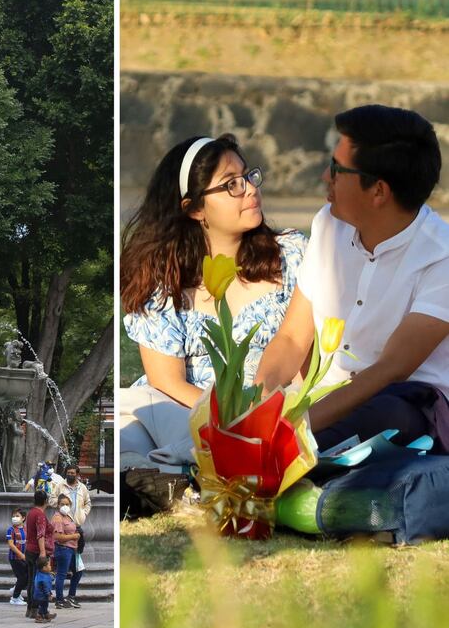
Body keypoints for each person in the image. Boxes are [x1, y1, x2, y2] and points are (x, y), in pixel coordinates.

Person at [255, 105, 449, 452]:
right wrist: (259, 407)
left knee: (388, 415)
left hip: (405, 409)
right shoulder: (328, 225)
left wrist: (294, 428)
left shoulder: (441, 257)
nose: (325, 179)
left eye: (336, 169)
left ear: (378, 191)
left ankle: (285, 458)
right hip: (325, 402)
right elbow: (291, 339)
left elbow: (390, 370)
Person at [120, 134, 307, 470]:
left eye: (248, 177)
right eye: (231, 184)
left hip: (272, 403)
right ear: (194, 209)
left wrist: (252, 414)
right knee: (133, 418)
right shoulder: (163, 283)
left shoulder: (290, 255)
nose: (250, 189)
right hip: (190, 404)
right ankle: (161, 471)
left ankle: (180, 469)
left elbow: (303, 348)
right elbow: (167, 381)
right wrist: (226, 417)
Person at [24, 489, 54, 619]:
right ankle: (38, 610)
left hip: (29, 550)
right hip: (38, 552)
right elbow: (40, 534)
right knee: (40, 581)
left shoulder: (31, 513)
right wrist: (43, 552)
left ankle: (30, 609)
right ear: (46, 501)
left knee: (31, 580)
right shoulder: (40, 515)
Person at [51, 494, 83, 609]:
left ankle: (71, 596)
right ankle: (59, 599)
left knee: (78, 571)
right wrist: (75, 536)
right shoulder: (58, 518)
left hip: (71, 549)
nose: (65, 506)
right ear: (58, 505)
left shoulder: (68, 516)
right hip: (63, 548)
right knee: (61, 574)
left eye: (67, 504)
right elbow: (57, 537)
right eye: (62, 504)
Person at [6, 508, 27, 606]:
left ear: (23, 518)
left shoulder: (26, 529)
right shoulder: (10, 530)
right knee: (22, 577)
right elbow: (11, 544)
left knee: (27, 577)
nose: (15, 518)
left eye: (17, 516)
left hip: (25, 557)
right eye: (13, 516)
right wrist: (21, 554)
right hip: (14, 557)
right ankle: (14, 598)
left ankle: (15, 590)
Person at [31, 555, 56, 624]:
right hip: (42, 595)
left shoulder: (40, 573)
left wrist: (52, 576)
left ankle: (46, 615)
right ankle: (39, 616)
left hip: (38, 595)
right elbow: (46, 588)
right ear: (44, 568)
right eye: (49, 565)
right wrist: (49, 595)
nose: (50, 567)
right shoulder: (44, 578)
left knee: (44, 605)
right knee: (43, 605)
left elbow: (50, 577)